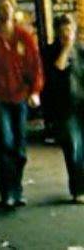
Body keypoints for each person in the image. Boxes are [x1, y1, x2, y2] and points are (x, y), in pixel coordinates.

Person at [0, 0, 44, 209]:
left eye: (8, 7)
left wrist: (35, 91)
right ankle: (7, 192)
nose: (5, 12)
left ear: (14, 10)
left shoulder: (25, 36)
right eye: (0, 8)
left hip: (21, 96)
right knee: (5, 141)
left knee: (19, 148)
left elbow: (35, 66)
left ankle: (17, 187)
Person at [45, 15, 84, 203]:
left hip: (81, 104)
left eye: (70, 30)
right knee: (72, 146)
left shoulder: (82, 51)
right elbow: (57, 69)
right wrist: (66, 49)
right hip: (64, 107)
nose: (67, 34)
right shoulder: (52, 51)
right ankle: (77, 188)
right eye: (64, 31)